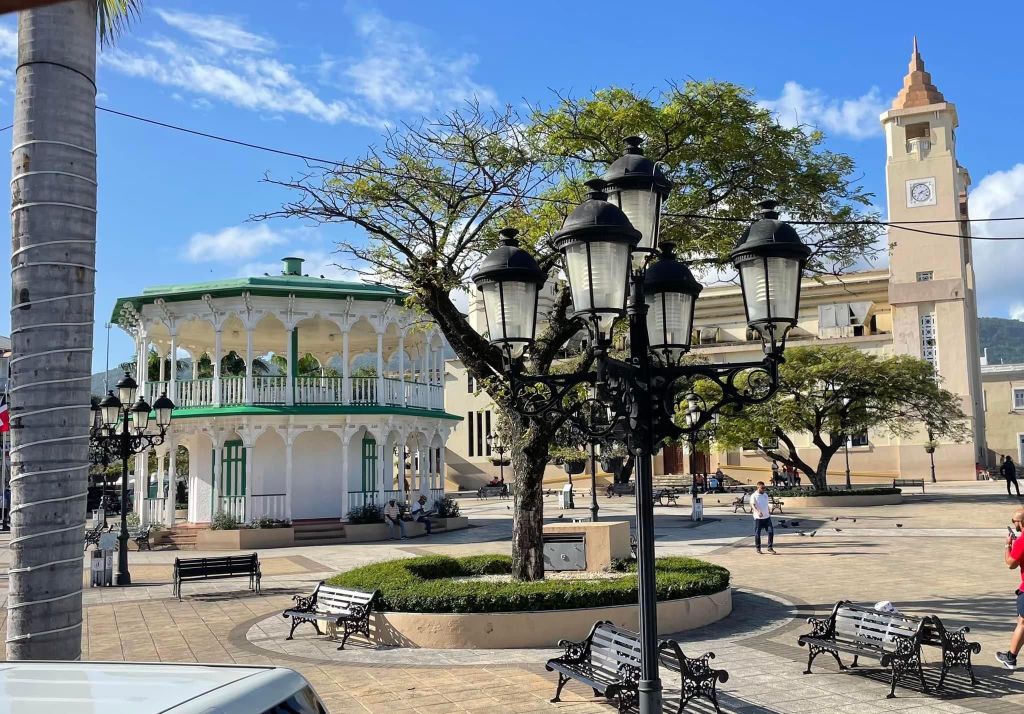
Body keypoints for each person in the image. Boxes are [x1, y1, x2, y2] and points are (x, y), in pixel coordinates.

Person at [997, 508, 1024, 669]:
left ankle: (1011, 658)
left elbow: (1011, 564)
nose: (1014, 524)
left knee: (1022, 623)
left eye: (1014, 521)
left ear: (1021, 522)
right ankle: (1011, 656)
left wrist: (1008, 545)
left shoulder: (1021, 542)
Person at [750, 481, 776, 555]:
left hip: (767, 517)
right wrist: (758, 512)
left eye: (764, 488)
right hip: (758, 518)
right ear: (758, 487)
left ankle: (770, 547)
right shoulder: (754, 496)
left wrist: (769, 509)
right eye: (762, 488)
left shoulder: (765, 495)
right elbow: (753, 505)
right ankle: (758, 548)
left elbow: (766, 504)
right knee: (757, 533)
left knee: (771, 532)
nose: (764, 489)